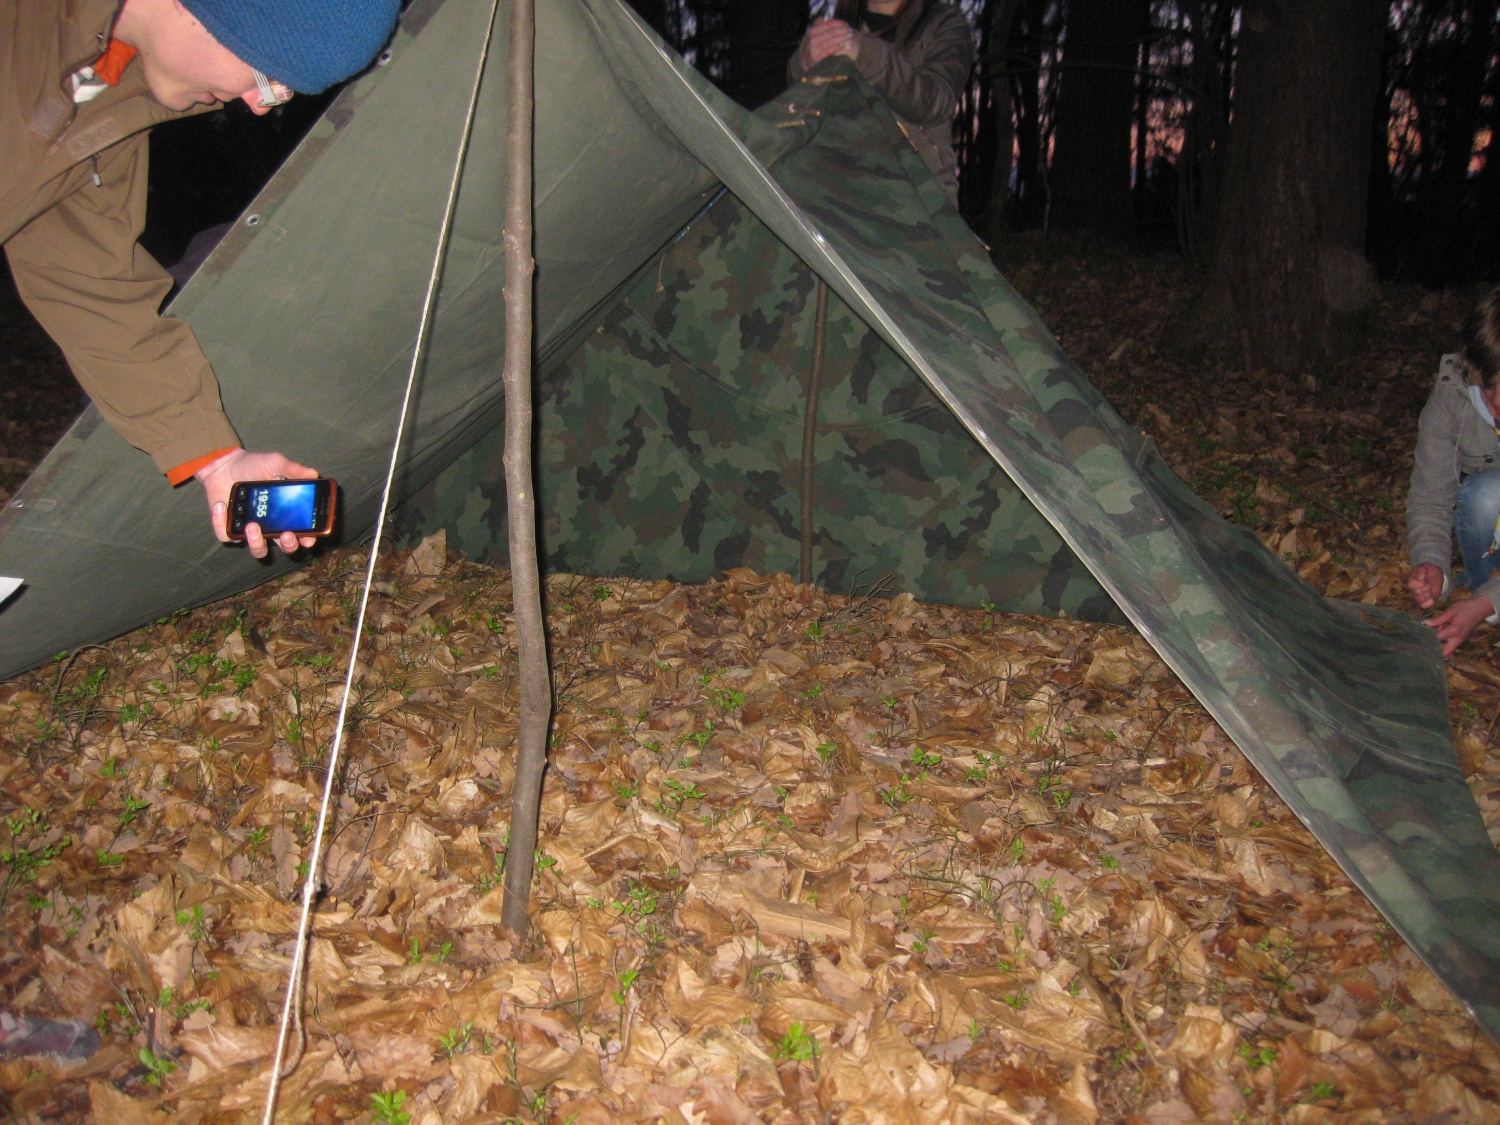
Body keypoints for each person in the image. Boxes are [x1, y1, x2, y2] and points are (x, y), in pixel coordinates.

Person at [4, 0, 399, 558]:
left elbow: (88, 281)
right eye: (269, 76)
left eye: (283, 92)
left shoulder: (105, 94)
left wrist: (218, 460)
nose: (261, 105)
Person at [787, 0, 974, 206]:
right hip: (839, 200)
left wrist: (866, 55)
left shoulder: (943, 23)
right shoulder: (834, 31)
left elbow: (937, 101)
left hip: (919, 204)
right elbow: (797, 116)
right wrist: (804, 64)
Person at [1406, 287, 1500, 655]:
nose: (1497, 404)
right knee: (1486, 493)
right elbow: (1430, 499)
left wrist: (1486, 603)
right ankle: (1482, 590)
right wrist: (1433, 567)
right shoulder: (1452, 397)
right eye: (1491, 385)